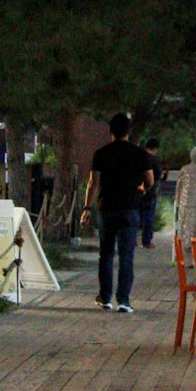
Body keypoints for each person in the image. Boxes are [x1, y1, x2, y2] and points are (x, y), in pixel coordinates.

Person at [80, 113, 153, 313]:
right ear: (128, 131)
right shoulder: (140, 154)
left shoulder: (101, 153)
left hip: (107, 207)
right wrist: (141, 190)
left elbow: (93, 182)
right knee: (126, 255)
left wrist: (87, 208)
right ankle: (124, 300)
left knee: (106, 253)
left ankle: (105, 298)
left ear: (111, 131)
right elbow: (150, 180)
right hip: (130, 208)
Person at [174, 146, 196, 253]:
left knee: (187, 229)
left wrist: (177, 200)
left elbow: (179, 186)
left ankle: (188, 257)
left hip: (186, 203)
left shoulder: (184, 169)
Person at [139, 137, 163, 250]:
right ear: (155, 148)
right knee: (148, 217)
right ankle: (146, 241)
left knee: (136, 215)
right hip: (150, 192)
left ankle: (133, 240)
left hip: (137, 190)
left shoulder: (138, 156)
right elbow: (158, 175)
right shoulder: (154, 160)